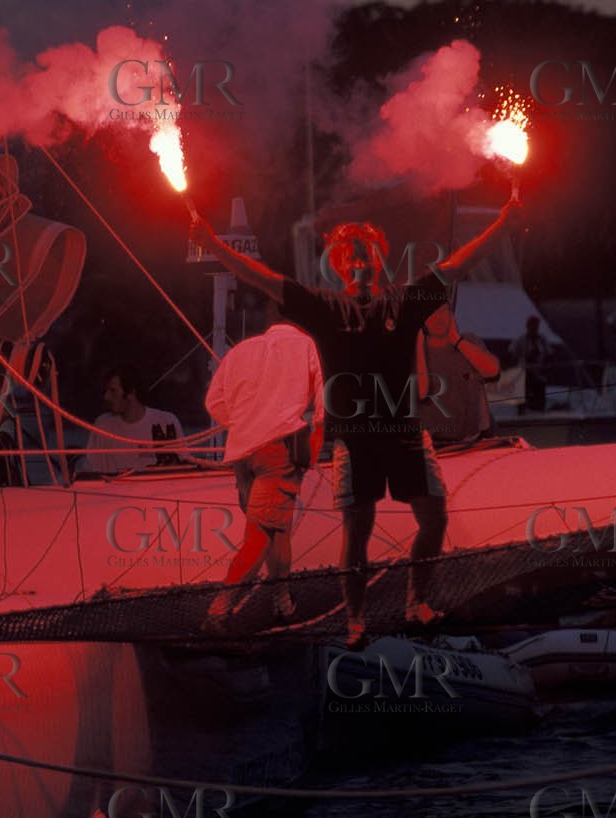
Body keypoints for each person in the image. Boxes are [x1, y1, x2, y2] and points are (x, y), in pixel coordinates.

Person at [189, 193, 522, 647]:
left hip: (404, 432)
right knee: (357, 531)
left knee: (434, 516)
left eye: (366, 247)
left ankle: (416, 602)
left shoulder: (404, 301)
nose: (358, 255)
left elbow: (459, 264)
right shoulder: (326, 307)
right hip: (355, 438)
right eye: (349, 251)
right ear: (340, 265)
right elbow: (263, 278)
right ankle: (356, 621)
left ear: (381, 257)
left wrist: (503, 221)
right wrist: (213, 243)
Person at [204, 309, 324, 623]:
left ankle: (282, 602)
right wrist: (316, 441)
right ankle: (219, 611)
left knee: (277, 529)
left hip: (243, 455)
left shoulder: (240, 351)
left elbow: (212, 402)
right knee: (260, 535)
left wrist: (244, 424)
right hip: (277, 451)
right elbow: (323, 400)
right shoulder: (305, 344)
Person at [415, 303, 500, 444]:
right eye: (432, 313)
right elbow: (419, 392)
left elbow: (493, 371)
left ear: (452, 315)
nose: (438, 318)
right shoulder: (416, 352)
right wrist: (417, 343)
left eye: (444, 311)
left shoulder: (470, 341)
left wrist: (457, 340)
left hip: (474, 442)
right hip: (433, 446)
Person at [76, 367, 185, 475]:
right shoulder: (102, 425)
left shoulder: (167, 421)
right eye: (105, 391)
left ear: (131, 392)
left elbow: (185, 468)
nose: (106, 397)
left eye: (113, 391)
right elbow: (88, 470)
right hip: (112, 490)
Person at [510, 314, 551, 411]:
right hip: (525, 373)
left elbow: (549, 354)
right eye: (532, 325)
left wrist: (546, 368)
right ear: (528, 326)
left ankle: (540, 411)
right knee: (524, 394)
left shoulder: (542, 340)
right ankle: (522, 412)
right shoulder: (520, 340)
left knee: (540, 394)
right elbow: (512, 354)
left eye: (536, 325)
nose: (534, 327)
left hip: (539, 373)